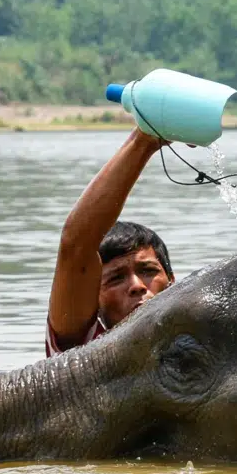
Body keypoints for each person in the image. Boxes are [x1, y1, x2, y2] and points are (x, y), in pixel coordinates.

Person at [45, 128, 175, 357]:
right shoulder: (82, 348)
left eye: (148, 270)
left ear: (173, 283)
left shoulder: (202, 338)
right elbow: (76, 244)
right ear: (93, 303)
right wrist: (144, 141)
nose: (137, 286)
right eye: (115, 278)